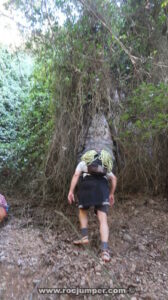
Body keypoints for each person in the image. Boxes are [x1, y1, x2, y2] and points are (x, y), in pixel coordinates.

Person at [68, 150, 117, 262]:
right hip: (102, 189)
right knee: (103, 219)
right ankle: (104, 251)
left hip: (86, 187)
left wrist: (71, 191)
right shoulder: (105, 164)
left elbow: (76, 175)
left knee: (83, 211)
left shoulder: (84, 162)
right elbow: (114, 179)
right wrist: (111, 193)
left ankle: (85, 237)